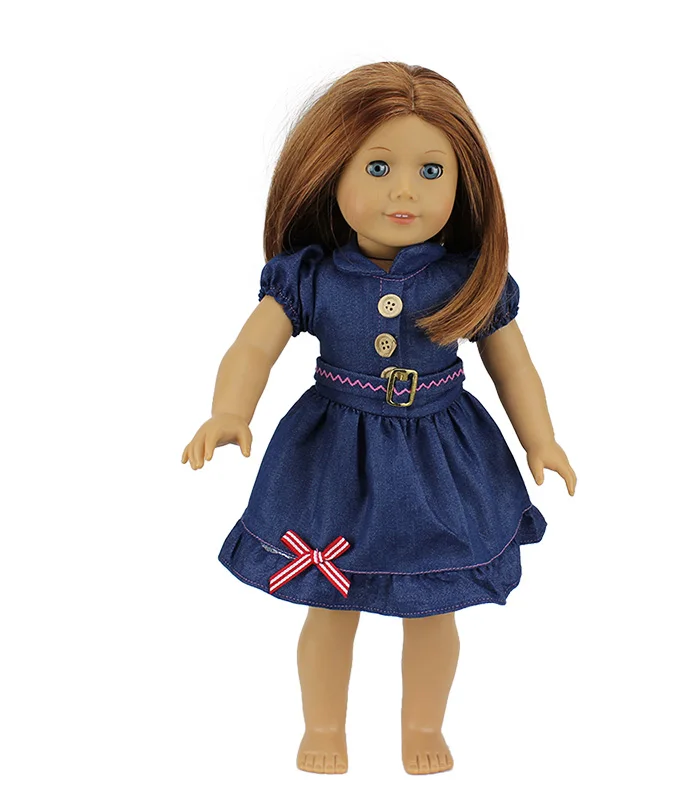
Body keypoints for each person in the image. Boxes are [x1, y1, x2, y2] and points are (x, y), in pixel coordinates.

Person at [182, 61, 576, 775]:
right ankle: (322, 727)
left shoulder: (466, 279)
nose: (404, 190)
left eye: (431, 171)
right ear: (330, 172)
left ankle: (423, 724)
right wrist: (229, 410)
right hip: (335, 457)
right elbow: (253, 346)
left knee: (434, 602)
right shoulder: (312, 278)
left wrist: (540, 438)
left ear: (464, 182)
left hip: (441, 459)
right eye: (378, 167)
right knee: (331, 602)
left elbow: (513, 365)